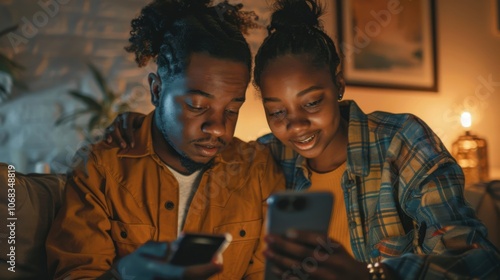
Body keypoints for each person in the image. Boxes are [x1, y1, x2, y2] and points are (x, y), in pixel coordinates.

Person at [108, 0, 500, 279]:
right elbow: (189, 152)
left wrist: (371, 275)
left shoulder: (401, 141)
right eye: (277, 112)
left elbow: (479, 262)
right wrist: (139, 126)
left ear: (339, 85)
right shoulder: (265, 156)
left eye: (312, 102)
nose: (296, 126)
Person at [45, 1, 285, 279]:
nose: (218, 128)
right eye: (196, 106)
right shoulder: (101, 170)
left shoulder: (257, 170)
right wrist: (123, 274)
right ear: (157, 90)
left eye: (232, 110)